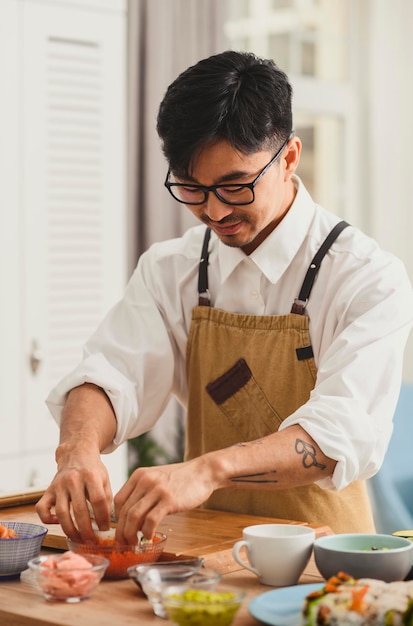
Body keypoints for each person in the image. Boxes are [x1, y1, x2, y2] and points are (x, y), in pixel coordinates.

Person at [36, 50, 413, 544]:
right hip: (203, 557)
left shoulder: (368, 276)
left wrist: (207, 471)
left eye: (236, 186)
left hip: (324, 566)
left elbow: (336, 436)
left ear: (290, 157)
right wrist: (78, 449)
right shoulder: (171, 268)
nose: (214, 210)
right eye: (192, 188)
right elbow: (112, 372)